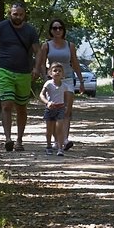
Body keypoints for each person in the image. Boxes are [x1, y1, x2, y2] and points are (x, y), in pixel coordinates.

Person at [0, 2, 41, 152]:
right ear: (10, 13)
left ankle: (19, 140)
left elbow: (38, 51)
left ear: (25, 14)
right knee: (6, 105)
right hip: (5, 71)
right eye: (14, 14)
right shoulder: (0, 27)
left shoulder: (30, 30)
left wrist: (36, 68)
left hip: (24, 73)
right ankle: (8, 139)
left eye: (20, 14)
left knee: (21, 107)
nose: (17, 16)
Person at [33, 19, 85, 152]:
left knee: (66, 110)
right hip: (53, 81)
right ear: (51, 30)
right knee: (55, 110)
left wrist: (81, 81)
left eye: (60, 28)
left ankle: (65, 139)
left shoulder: (70, 45)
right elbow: (42, 62)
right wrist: (45, 77)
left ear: (63, 30)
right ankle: (57, 141)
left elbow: (75, 62)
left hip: (67, 80)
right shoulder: (47, 45)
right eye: (54, 28)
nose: (57, 30)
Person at [39, 63, 68, 156]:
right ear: (50, 73)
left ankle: (60, 148)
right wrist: (47, 103)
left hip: (60, 108)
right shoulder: (48, 84)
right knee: (49, 129)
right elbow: (41, 95)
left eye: (60, 71)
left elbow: (66, 97)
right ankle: (48, 146)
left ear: (63, 74)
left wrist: (66, 106)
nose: (57, 72)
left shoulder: (64, 86)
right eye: (55, 70)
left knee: (59, 128)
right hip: (50, 109)